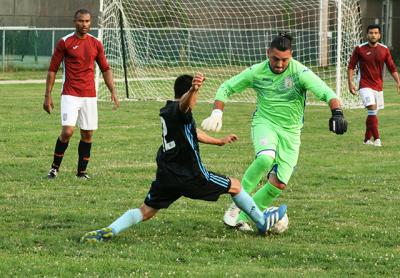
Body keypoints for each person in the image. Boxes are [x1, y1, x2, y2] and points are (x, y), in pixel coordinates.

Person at [80, 73, 287, 243]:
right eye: (194, 95)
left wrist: (219, 141)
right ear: (187, 93)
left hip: (167, 176)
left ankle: (109, 230)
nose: (196, 99)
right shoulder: (181, 109)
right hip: (191, 175)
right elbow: (184, 106)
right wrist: (193, 90)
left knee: (145, 211)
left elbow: (192, 132)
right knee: (235, 185)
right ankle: (261, 222)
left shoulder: (167, 110)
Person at [201, 33, 347, 231]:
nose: (279, 64)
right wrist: (217, 112)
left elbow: (327, 93)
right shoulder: (256, 72)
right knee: (265, 159)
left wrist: (337, 113)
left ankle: (241, 218)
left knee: (278, 184)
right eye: (275, 59)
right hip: (265, 123)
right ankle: (236, 205)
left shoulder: (300, 73)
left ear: (291, 56)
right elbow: (226, 87)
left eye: (285, 60)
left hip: (291, 133)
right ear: (267, 53)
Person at [43, 9, 120, 179]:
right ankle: (54, 168)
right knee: (68, 132)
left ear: (90, 23)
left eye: (87, 21)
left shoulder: (96, 43)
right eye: (80, 21)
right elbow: (52, 70)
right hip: (70, 93)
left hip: (89, 96)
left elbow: (105, 69)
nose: (84, 24)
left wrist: (113, 91)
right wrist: (47, 95)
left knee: (87, 134)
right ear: (74, 22)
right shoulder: (65, 42)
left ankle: (81, 172)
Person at [348, 24, 400, 147]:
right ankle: (377, 139)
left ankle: (366, 140)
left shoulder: (384, 49)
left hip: (378, 86)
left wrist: (398, 82)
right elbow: (351, 66)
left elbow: (392, 67)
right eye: (371, 33)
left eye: (376, 33)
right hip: (364, 85)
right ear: (367, 35)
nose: (373, 35)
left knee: (373, 113)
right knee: (372, 108)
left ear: (379, 35)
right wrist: (350, 83)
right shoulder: (359, 49)